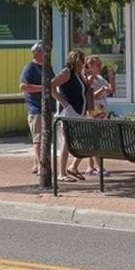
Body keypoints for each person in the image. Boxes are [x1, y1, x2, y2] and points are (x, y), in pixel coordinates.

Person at [50, 49, 88, 182]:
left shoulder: (78, 74)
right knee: (66, 142)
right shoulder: (67, 72)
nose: (83, 63)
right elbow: (51, 85)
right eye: (82, 60)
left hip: (78, 113)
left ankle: (73, 167)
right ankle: (62, 173)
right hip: (69, 112)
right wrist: (64, 103)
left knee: (84, 140)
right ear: (76, 60)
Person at [20, 42, 48, 177]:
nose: (44, 53)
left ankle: (36, 164)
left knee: (45, 138)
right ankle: (41, 165)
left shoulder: (47, 67)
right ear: (36, 53)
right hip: (36, 108)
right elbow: (23, 86)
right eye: (42, 51)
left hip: (47, 107)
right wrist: (42, 88)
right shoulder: (30, 67)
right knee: (38, 138)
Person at [83, 57, 114, 177]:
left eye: (100, 65)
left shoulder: (99, 78)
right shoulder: (88, 79)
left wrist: (111, 78)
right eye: (97, 65)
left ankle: (91, 166)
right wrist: (102, 89)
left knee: (96, 139)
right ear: (90, 66)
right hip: (94, 111)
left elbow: (111, 90)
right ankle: (98, 167)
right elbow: (91, 96)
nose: (100, 67)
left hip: (101, 111)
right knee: (95, 139)